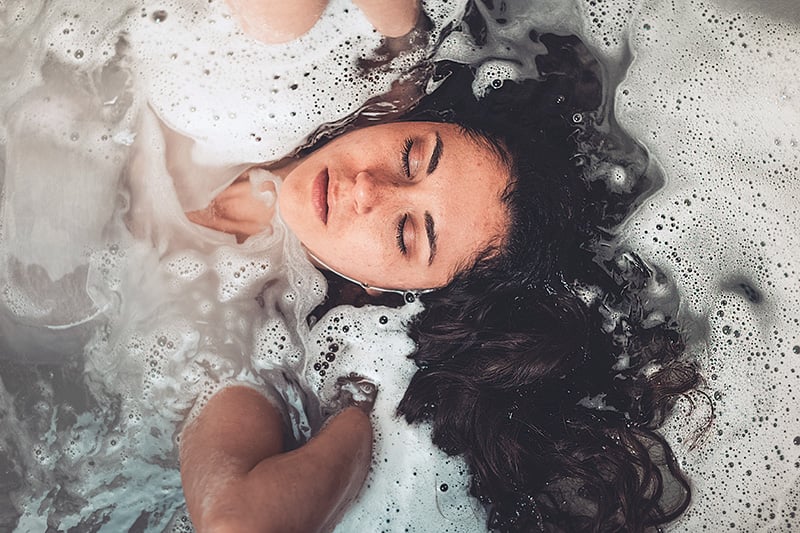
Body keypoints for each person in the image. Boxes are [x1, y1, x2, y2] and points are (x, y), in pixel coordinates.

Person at [178, 3, 702, 533]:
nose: (367, 189)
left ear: (395, 292)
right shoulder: (373, 72)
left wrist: (359, 415)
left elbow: (239, 520)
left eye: (407, 235)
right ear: (419, 117)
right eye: (411, 156)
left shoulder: (251, 335)